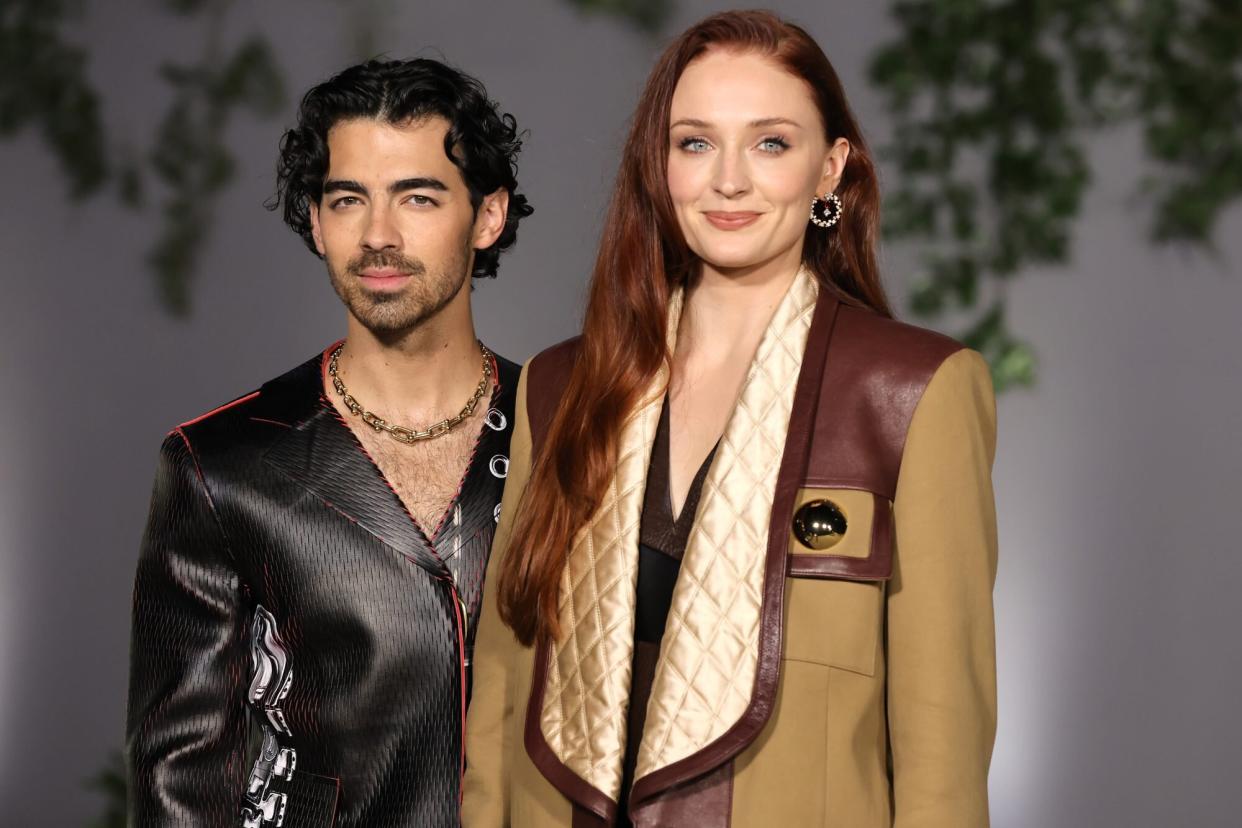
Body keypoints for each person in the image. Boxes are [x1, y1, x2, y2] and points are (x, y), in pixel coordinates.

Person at [463, 10, 997, 828]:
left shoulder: (912, 391)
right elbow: (503, 697)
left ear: (831, 170)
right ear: (659, 165)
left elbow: (941, 750)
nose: (729, 181)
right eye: (695, 143)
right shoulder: (561, 384)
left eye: (771, 143)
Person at [126, 57, 532, 827]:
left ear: (487, 216)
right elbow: (179, 788)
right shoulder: (222, 467)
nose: (379, 236)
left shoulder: (580, 427)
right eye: (349, 200)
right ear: (316, 221)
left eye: (417, 196)